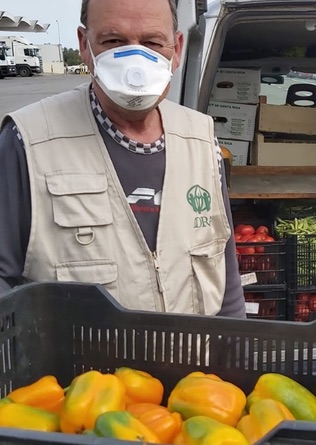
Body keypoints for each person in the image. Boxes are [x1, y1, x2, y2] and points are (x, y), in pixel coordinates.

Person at [0, 0, 246, 318]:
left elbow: (225, 281)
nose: (135, 61)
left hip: (194, 368)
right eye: (114, 41)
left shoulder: (200, 139)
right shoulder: (27, 141)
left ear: (177, 49)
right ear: (85, 46)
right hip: (83, 369)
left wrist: (235, 360)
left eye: (152, 42)